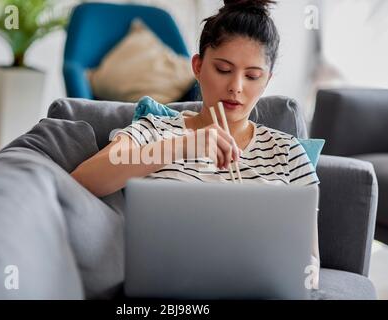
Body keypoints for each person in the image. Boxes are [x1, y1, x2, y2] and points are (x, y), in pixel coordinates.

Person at [71, 0, 320, 289]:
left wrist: (308, 273)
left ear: (267, 81)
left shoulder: (288, 153)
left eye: (252, 76)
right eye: (224, 69)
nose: (236, 87)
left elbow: (310, 258)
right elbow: (84, 180)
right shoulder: (157, 129)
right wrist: (183, 145)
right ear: (198, 67)